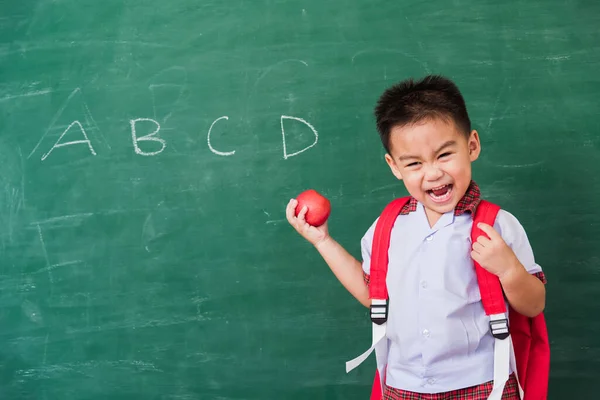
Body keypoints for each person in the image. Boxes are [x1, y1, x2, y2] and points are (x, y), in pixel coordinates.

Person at [285, 75, 546, 399]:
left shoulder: (497, 226)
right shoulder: (388, 227)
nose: (433, 172)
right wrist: (323, 241)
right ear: (394, 167)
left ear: (472, 146)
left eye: (444, 155)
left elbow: (534, 305)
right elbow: (373, 294)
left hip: (483, 385)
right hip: (402, 385)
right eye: (414, 163)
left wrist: (508, 270)